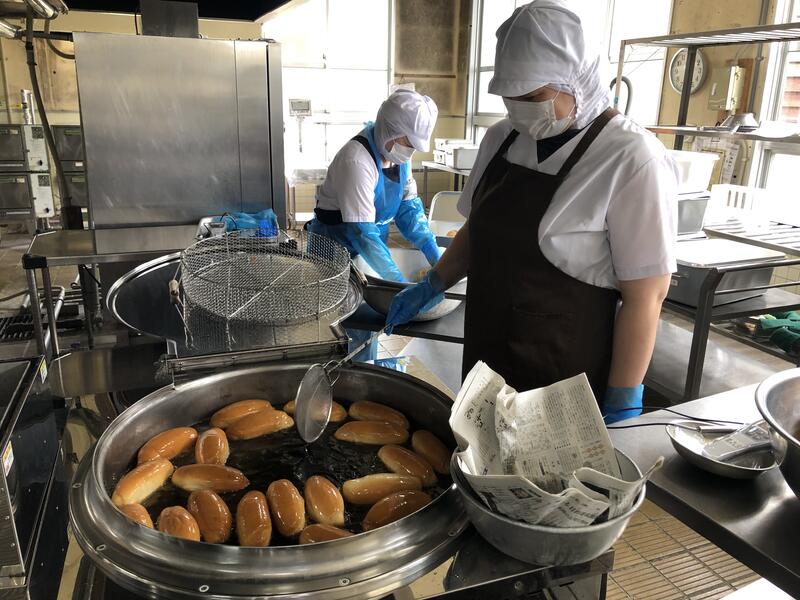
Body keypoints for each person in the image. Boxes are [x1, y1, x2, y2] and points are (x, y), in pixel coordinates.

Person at [385, 0, 678, 423]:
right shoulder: (502, 137)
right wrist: (434, 281)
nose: (518, 107)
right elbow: (478, 230)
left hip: (562, 369)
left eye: (532, 96)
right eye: (510, 97)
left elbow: (646, 297)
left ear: (577, 80)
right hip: (486, 355)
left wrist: (624, 395)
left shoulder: (632, 158)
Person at [306, 88, 441, 359]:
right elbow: (362, 233)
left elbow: (408, 210)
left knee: (366, 326)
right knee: (343, 324)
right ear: (389, 129)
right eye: (408, 142)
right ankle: (340, 375)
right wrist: (399, 285)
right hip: (335, 253)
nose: (410, 150)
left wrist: (433, 253)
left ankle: (362, 369)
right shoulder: (356, 159)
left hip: (368, 250)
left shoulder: (398, 157)